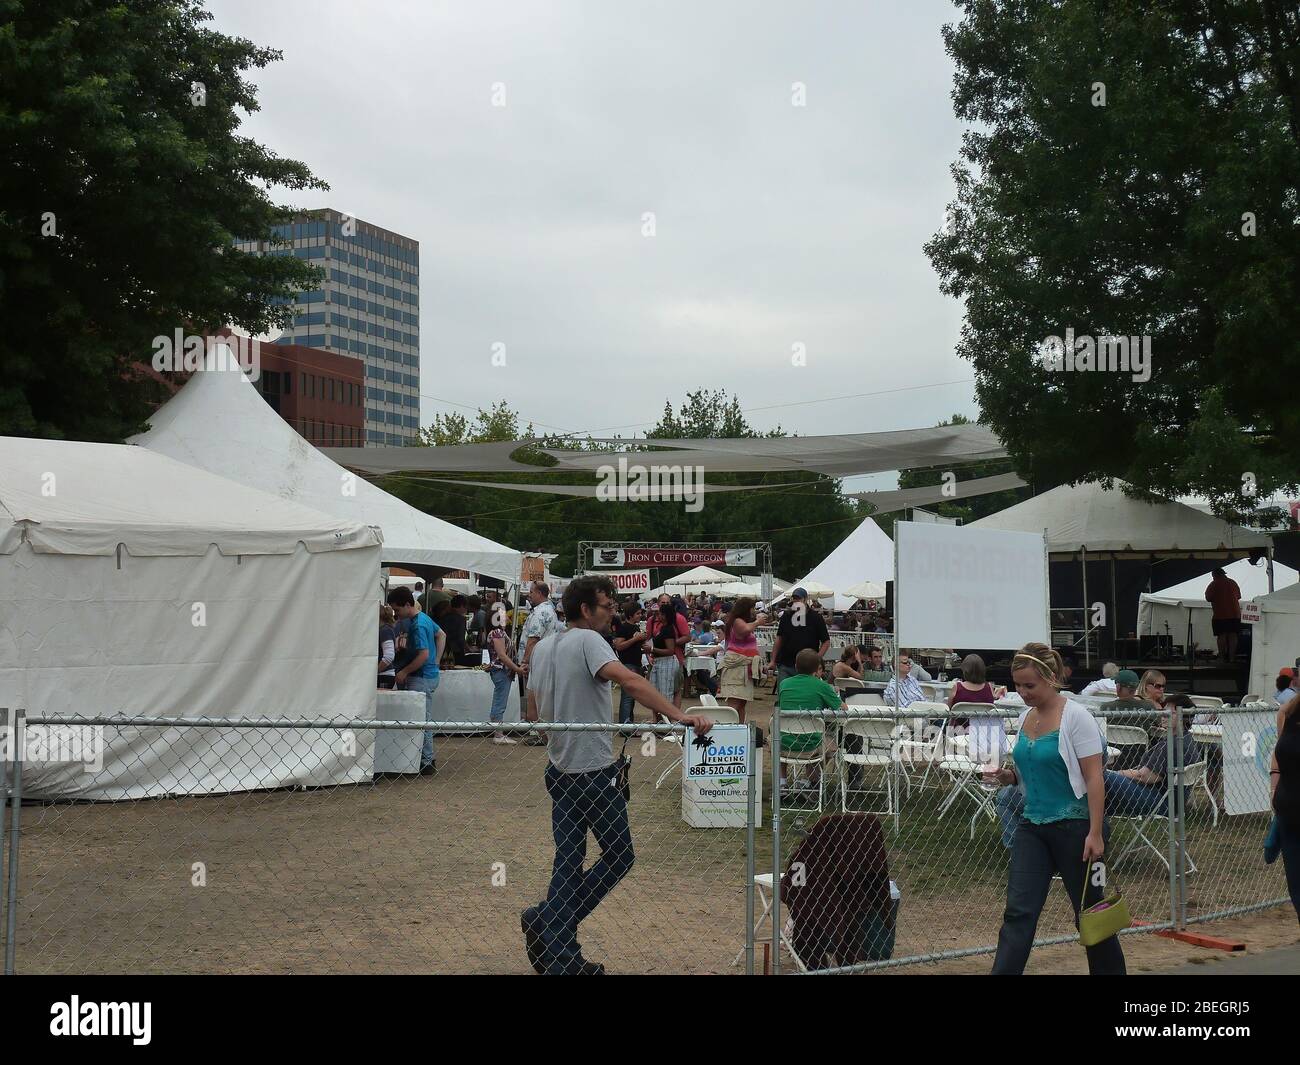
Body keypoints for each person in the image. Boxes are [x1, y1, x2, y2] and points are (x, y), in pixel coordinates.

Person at [519, 575, 710, 975]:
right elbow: (629, 680)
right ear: (586, 609)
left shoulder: (543, 649)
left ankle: (560, 947)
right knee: (619, 855)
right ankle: (551, 925)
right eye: (607, 606)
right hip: (592, 772)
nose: (613, 613)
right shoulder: (588, 641)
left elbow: (532, 712)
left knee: (569, 860)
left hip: (560, 769)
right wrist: (679, 716)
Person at [985, 642, 1124, 974]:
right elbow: (1031, 769)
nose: (1022, 692)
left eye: (1029, 685)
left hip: (1075, 829)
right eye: (1018, 685)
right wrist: (1009, 777)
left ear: (1051, 677)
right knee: (1019, 913)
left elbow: (1094, 778)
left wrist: (1095, 833)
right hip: (1032, 826)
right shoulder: (1025, 718)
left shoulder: (1077, 717)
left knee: (1092, 914)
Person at [1103, 693, 1201, 818]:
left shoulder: (1171, 744)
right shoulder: (1187, 739)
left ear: (1185, 717)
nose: (1164, 716)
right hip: (1175, 803)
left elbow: (1145, 776)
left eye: (1171, 713)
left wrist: (1117, 773)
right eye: (1163, 711)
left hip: (1160, 802)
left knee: (1102, 776)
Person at [387, 586, 445, 775]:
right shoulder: (424, 618)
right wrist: (436, 662)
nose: (396, 614)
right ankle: (425, 758)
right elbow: (441, 635)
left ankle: (427, 760)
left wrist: (404, 671)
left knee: (422, 719)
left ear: (406, 604)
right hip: (428, 675)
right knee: (423, 718)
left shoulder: (418, 624)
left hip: (421, 677)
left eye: (397, 609)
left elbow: (422, 655)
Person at [777, 648, 848, 787]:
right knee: (832, 746)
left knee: (778, 737)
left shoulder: (784, 684)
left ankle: (781, 783)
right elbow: (843, 709)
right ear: (817, 669)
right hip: (811, 745)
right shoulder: (822, 686)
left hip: (784, 743)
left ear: (796, 666)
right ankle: (811, 781)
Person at [1269, 673, 1300, 924]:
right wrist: (1274, 790)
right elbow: (1279, 754)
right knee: (1296, 886)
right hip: (1289, 812)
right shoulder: (1291, 713)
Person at [517, 583, 561, 746]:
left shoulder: (541, 612)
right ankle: (541, 732)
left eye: (531, 592)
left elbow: (533, 639)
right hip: (545, 660)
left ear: (540, 593)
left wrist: (525, 661)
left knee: (534, 699)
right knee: (540, 699)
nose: (529, 595)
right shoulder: (549, 610)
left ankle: (540, 734)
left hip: (538, 662)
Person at [769, 587, 830, 685]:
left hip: (807, 666)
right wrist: (773, 660)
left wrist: (817, 658)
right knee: (785, 694)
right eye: (794, 598)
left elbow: (826, 641)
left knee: (805, 695)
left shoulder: (816, 618)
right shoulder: (787, 616)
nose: (795, 601)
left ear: (805, 600)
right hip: (786, 664)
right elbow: (779, 638)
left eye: (798, 598)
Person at [719, 597, 762, 723]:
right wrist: (758, 622)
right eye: (752, 608)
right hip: (736, 668)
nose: (754, 611)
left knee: (742, 703)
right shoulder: (737, 621)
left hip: (744, 668)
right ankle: (729, 728)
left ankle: (740, 727)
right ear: (746, 609)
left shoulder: (741, 621)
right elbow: (745, 630)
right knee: (734, 703)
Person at [485, 610, 523, 744]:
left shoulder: (496, 633)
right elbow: (502, 655)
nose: (507, 617)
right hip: (502, 671)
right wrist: (517, 669)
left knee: (499, 700)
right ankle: (498, 734)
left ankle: (498, 732)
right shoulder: (498, 633)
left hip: (500, 671)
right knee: (500, 702)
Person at [646, 593, 690, 709]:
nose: (665, 605)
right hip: (656, 658)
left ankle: (674, 718)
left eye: (667, 603)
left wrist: (671, 641)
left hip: (674, 658)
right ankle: (659, 718)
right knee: (655, 689)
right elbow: (649, 638)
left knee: (674, 689)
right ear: (658, 604)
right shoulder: (652, 620)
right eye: (662, 603)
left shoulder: (678, 618)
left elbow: (687, 636)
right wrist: (649, 655)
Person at [610, 602, 648, 725]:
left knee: (631, 697)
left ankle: (628, 723)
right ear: (630, 615)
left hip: (636, 664)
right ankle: (625, 725)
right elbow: (619, 646)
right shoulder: (624, 628)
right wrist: (635, 639)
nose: (640, 615)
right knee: (627, 697)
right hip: (628, 664)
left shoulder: (635, 628)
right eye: (637, 613)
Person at [1205, 566, 1243, 662]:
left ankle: (1221, 658)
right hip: (1235, 614)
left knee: (1221, 635)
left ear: (1214, 575)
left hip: (1220, 614)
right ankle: (1232, 658)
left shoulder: (1213, 584)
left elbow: (1208, 598)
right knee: (1233, 635)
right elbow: (1238, 596)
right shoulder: (1233, 582)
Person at [378, 604, 398, 690]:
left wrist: (375, 671)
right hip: (384, 675)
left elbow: (389, 656)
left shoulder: (385, 630)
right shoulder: (385, 629)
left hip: (384, 675)